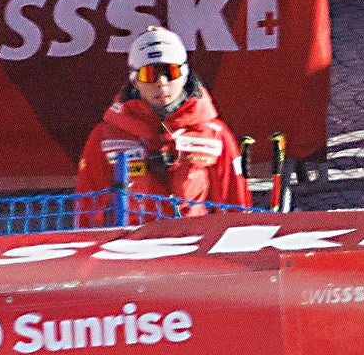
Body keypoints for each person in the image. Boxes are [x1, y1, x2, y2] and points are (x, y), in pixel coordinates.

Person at [72, 27, 245, 227]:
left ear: (185, 74)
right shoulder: (105, 136)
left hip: (194, 246)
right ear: (135, 80)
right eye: (149, 74)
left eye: (170, 72)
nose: (161, 83)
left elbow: (236, 207)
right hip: (131, 250)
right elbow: (87, 210)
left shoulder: (214, 134)